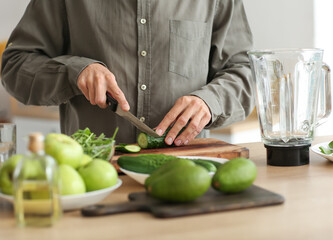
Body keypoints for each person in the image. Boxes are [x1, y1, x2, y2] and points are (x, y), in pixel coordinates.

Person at [1, 0, 255, 146]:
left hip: (187, 175)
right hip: (90, 178)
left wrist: (209, 102)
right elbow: (15, 64)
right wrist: (74, 71)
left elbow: (242, 72)